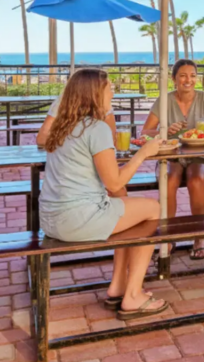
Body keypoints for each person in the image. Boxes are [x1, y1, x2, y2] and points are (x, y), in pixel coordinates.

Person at [39, 68, 167, 320]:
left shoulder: (62, 126)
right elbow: (113, 181)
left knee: (126, 208)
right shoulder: (96, 128)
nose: (113, 91)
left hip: (51, 220)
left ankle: (118, 285)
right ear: (95, 94)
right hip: (77, 219)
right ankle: (132, 295)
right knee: (153, 209)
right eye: (109, 87)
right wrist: (144, 153)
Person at [141, 59, 204, 260]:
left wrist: (203, 131)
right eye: (183, 76)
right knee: (169, 180)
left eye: (192, 76)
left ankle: (199, 236)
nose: (189, 80)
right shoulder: (164, 101)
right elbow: (145, 132)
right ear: (174, 78)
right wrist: (165, 131)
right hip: (171, 153)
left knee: (196, 181)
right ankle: (168, 236)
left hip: (199, 153)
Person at [36, 93, 118, 147]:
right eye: (108, 89)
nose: (112, 94)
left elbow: (112, 141)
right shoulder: (63, 102)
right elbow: (41, 139)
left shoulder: (105, 105)